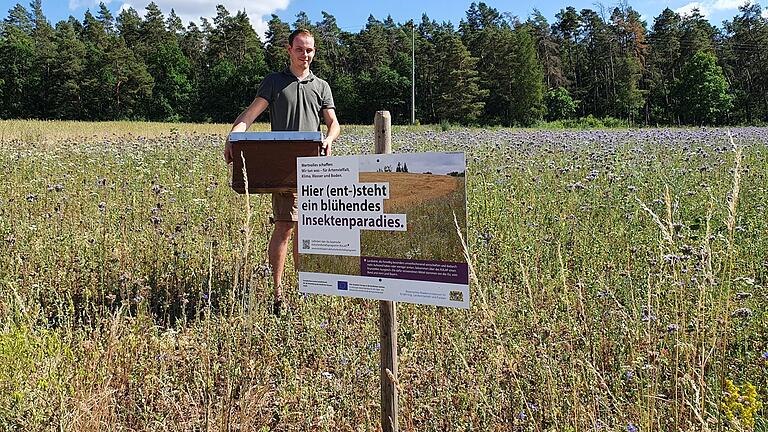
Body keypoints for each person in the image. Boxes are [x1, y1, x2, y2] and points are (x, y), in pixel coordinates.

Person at [224, 28, 340, 314]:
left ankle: (306, 289)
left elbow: (334, 123)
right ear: (289, 50)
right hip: (283, 170)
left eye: (310, 50)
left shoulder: (321, 86)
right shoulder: (274, 82)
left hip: (314, 169)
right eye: (300, 49)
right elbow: (250, 115)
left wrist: (328, 139)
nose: (305, 55)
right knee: (285, 227)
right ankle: (278, 296)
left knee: (309, 232)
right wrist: (232, 137)